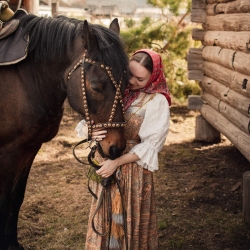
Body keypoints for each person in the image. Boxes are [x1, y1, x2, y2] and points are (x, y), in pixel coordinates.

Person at [75, 49, 171, 249]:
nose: (133, 82)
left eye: (140, 79)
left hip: (132, 170)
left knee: (124, 219)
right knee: (105, 215)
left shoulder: (157, 101)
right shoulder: (118, 90)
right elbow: (89, 119)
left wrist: (116, 163)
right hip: (105, 165)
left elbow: (151, 146)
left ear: (153, 78)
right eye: (130, 75)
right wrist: (90, 131)